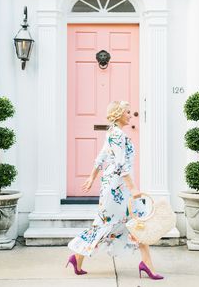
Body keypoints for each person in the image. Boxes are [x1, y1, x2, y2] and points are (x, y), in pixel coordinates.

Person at [66, 100, 164, 280]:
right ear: (118, 114)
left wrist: (92, 176)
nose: (130, 115)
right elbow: (119, 164)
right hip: (117, 188)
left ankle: (147, 264)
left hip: (116, 185)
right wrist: (134, 189)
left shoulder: (112, 132)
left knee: (137, 222)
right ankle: (77, 256)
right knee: (106, 224)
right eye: (127, 112)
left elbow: (101, 156)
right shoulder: (117, 134)